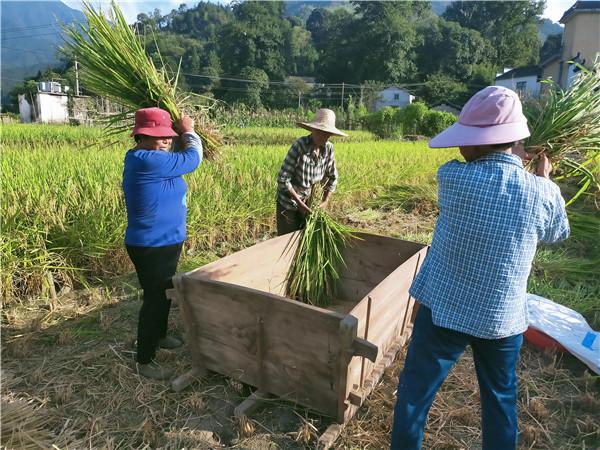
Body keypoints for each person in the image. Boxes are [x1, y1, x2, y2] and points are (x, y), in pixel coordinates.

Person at [390, 86, 569, 450]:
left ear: (483, 142)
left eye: (466, 139)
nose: (459, 147)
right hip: (501, 320)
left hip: (445, 311)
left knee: (413, 399)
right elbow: (557, 232)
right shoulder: (541, 192)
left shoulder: (452, 178)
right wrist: (544, 180)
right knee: (501, 401)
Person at [122, 107, 203, 380]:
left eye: (169, 135)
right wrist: (189, 129)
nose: (166, 140)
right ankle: (145, 359)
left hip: (167, 241)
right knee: (155, 299)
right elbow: (193, 158)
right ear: (141, 136)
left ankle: (161, 336)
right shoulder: (147, 161)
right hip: (152, 245)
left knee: (166, 291)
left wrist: (179, 134)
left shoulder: (157, 158)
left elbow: (179, 155)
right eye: (159, 136)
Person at [276, 108, 347, 235]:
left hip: (309, 204)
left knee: (306, 238)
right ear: (312, 130)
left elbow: (333, 177)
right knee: (288, 241)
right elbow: (283, 179)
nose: (323, 136)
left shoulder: (328, 149)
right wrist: (299, 203)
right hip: (288, 204)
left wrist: (325, 201)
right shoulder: (300, 146)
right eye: (320, 131)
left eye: (327, 133)